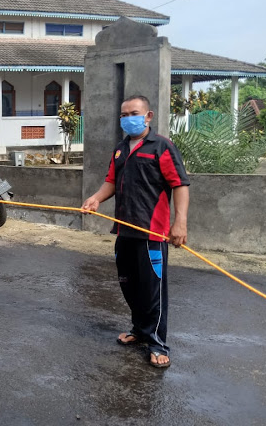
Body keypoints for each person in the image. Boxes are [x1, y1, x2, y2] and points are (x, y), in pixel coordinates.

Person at [82, 95, 190, 368]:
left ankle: (157, 343)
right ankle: (140, 331)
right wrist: (95, 198)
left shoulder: (161, 146)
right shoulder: (120, 149)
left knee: (153, 292)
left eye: (134, 112)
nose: (128, 118)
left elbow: (180, 184)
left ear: (148, 116)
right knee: (129, 286)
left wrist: (180, 222)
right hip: (125, 231)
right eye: (124, 114)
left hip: (153, 234)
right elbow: (111, 181)